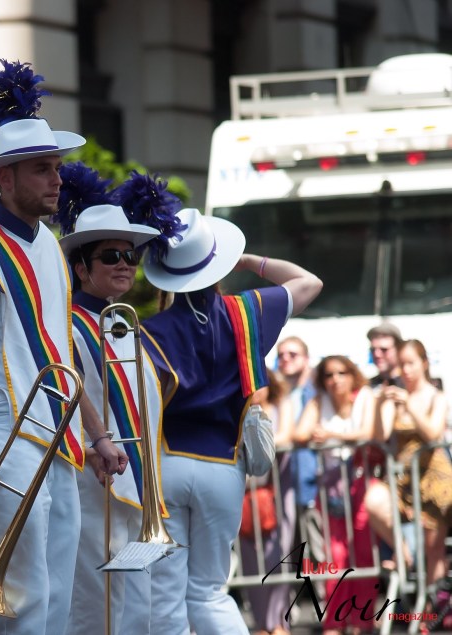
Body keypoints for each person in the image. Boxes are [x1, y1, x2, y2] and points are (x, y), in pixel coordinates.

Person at [0, 61, 125, 635]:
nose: (56, 180)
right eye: (42, 170)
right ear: (5, 179)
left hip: (58, 434)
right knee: (22, 597)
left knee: (58, 595)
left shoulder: (48, 245)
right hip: (5, 436)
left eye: (57, 168)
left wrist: (97, 433)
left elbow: (60, 354)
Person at [139, 204, 323, 634]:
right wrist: (249, 261)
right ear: (216, 263)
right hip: (224, 467)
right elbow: (308, 282)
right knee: (209, 592)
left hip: (167, 466)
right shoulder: (248, 311)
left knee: (167, 592)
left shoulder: (148, 331)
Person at [54, 180, 161, 635]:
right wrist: (89, 447)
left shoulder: (121, 323)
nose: (124, 264)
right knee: (96, 606)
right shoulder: (67, 325)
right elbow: (63, 399)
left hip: (133, 484)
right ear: (81, 268)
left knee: (136, 608)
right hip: (93, 481)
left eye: (130, 256)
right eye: (111, 256)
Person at [293, 355, 376, 635]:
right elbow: (299, 434)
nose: (335, 379)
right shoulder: (319, 401)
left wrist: (328, 434)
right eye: (328, 375)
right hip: (331, 488)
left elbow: (367, 433)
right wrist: (317, 430)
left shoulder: (365, 396)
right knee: (334, 556)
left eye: (341, 373)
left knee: (362, 554)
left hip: (361, 484)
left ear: (353, 375)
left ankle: (363, 621)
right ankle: (336, 622)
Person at [365, 340, 450, 587]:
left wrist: (410, 404)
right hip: (403, 479)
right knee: (374, 500)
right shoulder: (397, 396)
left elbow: (433, 434)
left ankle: (433, 604)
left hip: (434, 480)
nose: (406, 370)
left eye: (411, 363)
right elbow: (380, 436)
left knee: (434, 549)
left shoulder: (436, 396)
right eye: (402, 365)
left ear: (424, 363)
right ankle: (403, 552)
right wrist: (380, 403)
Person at [238, 370, 295, 635]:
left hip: (280, 491)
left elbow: (287, 435)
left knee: (279, 557)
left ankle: (278, 622)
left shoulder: (282, 405)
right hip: (247, 494)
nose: (256, 390)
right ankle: (262, 623)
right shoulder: (239, 411)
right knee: (251, 561)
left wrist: (258, 444)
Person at [277, 336, 325, 563]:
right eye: (281, 355)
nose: (285, 359)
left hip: (312, 479)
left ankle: (325, 587)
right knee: (290, 553)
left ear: (306, 359)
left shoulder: (316, 390)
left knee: (318, 550)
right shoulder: (278, 392)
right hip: (283, 482)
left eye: (292, 354)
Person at [367, 322, 404, 390]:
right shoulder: (367, 387)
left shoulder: (411, 384)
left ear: (399, 350)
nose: (377, 354)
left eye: (384, 350)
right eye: (373, 350)